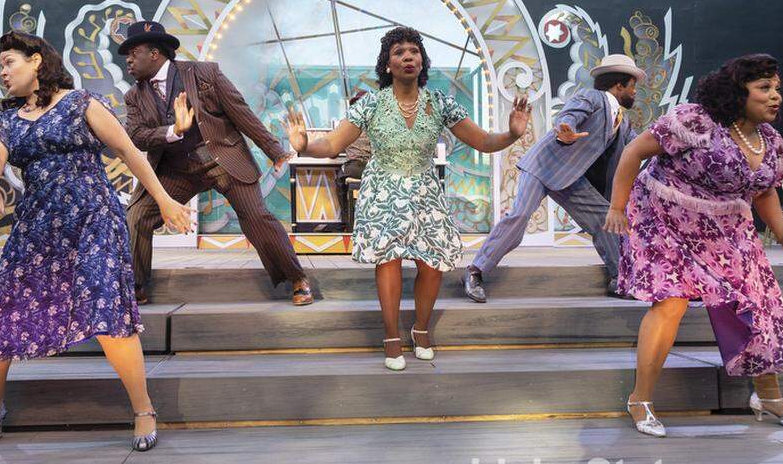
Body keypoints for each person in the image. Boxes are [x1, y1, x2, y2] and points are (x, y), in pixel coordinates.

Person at [0, 31, 193, 453]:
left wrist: (163, 200)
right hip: (37, 227)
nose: (3, 71)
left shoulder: (79, 102)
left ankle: (143, 410)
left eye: (9, 62)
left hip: (92, 219)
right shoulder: (7, 118)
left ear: (36, 61)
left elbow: (129, 151)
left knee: (107, 310)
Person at [603, 53, 783, 438]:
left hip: (726, 225)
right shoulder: (695, 120)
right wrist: (617, 207)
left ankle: (769, 397)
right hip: (665, 215)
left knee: (757, 303)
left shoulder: (770, 140)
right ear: (738, 92)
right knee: (671, 302)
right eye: (764, 88)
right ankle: (640, 400)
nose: (775, 96)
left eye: (777, 89)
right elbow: (634, 153)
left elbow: (763, 192)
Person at [285, 26, 531, 370]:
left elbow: (484, 142)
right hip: (384, 189)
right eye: (399, 52)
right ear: (387, 64)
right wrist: (304, 145)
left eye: (414, 51)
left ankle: (420, 328)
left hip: (425, 191)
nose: (407, 56)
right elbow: (331, 146)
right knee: (388, 262)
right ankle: (391, 336)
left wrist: (512, 134)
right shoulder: (371, 104)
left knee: (432, 265)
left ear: (422, 61)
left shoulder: (440, 102)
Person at [120, 21, 313, 306]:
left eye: (133, 52)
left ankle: (296, 278)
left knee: (257, 217)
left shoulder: (203, 73)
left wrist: (275, 150)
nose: (128, 60)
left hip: (224, 159)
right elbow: (137, 137)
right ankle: (136, 288)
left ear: (155, 53)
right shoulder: (134, 96)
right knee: (137, 215)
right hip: (176, 170)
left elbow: (240, 112)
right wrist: (174, 131)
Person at [463, 54, 644, 301]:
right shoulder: (593, 97)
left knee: (605, 218)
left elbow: (639, 147)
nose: (635, 92)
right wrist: (565, 131)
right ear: (619, 85)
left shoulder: (623, 123)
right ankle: (475, 271)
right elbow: (569, 115)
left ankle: (619, 278)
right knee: (519, 216)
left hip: (571, 177)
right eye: (633, 86)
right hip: (544, 166)